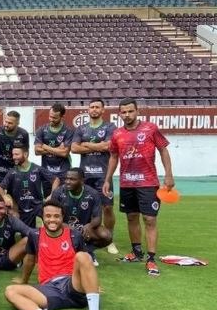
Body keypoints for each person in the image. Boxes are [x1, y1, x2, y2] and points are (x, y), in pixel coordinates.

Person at [5, 200, 106, 310]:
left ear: (62, 217)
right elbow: (29, 260)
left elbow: (85, 263)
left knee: (82, 256)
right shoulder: (35, 235)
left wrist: (93, 286)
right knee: (10, 291)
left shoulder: (74, 235)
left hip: (72, 285)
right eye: (48, 216)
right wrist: (24, 280)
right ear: (43, 217)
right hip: (49, 289)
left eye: (56, 216)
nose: (52, 220)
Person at [103, 98, 174, 277]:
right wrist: (107, 179)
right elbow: (113, 157)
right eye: (123, 112)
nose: (127, 115)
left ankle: (151, 258)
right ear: (120, 114)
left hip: (148, 183)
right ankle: (136, 253)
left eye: (130, 111)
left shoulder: (150, 129)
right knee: (131, 218)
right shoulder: (117, 133)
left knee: (149, 220)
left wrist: (168, 174)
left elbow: (163, 150)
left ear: (137, 111)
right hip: (127, 183)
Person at [71, 99, 119, 255]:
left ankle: (110, 239)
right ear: (88, 110)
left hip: (103, 175)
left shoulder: (110, 127)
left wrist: (86, 144)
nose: (94, 109)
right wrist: (98, 145)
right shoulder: (81, 128)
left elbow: (108, 146)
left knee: (107, 207)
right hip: (85, 176)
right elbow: (74, 148)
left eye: (97, 107)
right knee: (85, 207)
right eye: (91, 107)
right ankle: (86, 236)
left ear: (103, 110)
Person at [50, 168, 112, 266]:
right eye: (66, 179)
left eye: (72, 179)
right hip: (63, 227)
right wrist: (69, 228)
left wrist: (89, 226)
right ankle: (66, 252)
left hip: (84, 230)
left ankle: (87, 251)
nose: (68, 182)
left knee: (106, 236)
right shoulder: (58, 193)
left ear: (82, 180)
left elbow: (97, 218)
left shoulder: (93, 194)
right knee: (53, 228)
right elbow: (51, 219)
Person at [0, 146, 59, 228]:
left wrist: (51, 195)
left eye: (17, 154)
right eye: (13, 155)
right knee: (26, 234)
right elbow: (0, 188)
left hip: (38, 206)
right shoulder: (12, 172)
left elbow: (56, 180)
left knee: (50, 224)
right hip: (22, 209)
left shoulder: (37, 169)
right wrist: (5, 196)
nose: (14, 157)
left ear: (25, 154)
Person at [34, 103, 74, 197]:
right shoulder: (41, 130)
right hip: (46, 172)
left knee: (64, 200)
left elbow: (64, 153)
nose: (51, 119)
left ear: (62, 116)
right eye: (50, 116)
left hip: (63, 172)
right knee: (48, 199)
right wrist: (57, 149)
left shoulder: (68, 131)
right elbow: (37, 151)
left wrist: (45, 146)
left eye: (54, 118)